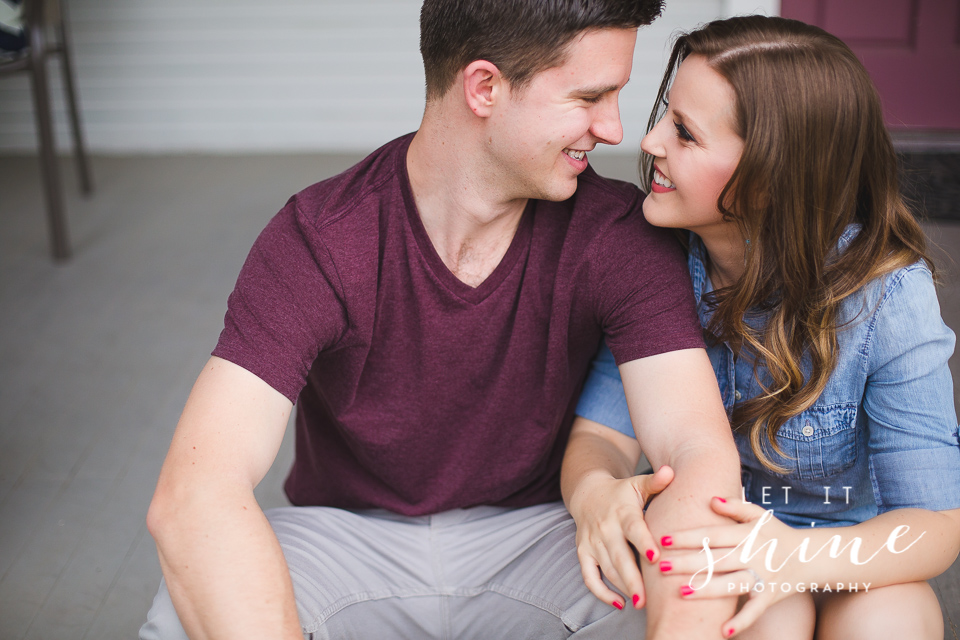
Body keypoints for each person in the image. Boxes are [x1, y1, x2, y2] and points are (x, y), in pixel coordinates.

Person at [139, 1, 745, 639]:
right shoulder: (320, 239)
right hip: (346, 544)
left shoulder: (616, 234)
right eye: (589, 97)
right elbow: (196, 490)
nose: (615, 130)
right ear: (484, 87)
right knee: (186, 611)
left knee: (712, 602)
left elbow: (695, 451)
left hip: (545, 540)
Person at [565, 14, 960, 640]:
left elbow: (935, 524)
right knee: (768, 621)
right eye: (666, 114)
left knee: (895, 618)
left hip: (851, 546)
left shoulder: (888, 296)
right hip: (718, 545)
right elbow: (601, 437)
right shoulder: (653, 262)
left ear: (774, 178)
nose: (649, 142)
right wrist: (593, 490)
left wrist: (793, 559)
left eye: (686, 134)